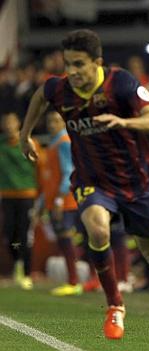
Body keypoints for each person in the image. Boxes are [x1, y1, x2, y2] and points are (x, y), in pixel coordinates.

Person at [19, 29, 149, 351]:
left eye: (80, 65)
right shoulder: (61, 88)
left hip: (137, 183)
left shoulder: (121, 83)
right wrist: (27, 133)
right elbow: (41, 94)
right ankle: (115, 305)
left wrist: (124, 122)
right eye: (68, 65)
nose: (73, 72)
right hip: (93, 180)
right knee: (97, 228)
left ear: (97, 62)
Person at [37, 111, 83, 296]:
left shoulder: (63, 142)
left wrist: (58, 199)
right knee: (64, 240)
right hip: (55, 200)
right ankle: (74, 280)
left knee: (66, 238)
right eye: (50, 121)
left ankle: (74, 281)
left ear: (64, 123)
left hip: (65, 201)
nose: (52, 124)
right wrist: (42, 202)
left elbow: (68, 173)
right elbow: (49, 179)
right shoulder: (53, 143)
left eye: (57, 121)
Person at [0, 112, 40, 290]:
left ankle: (26, 273)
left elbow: (40, 167)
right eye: (5, 123)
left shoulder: (29, 143)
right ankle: (17, 262)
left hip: (27, 195)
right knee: (9, 234)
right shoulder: (1, 145)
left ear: (19, 124)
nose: (9, 126)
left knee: (25, 235)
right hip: (7, 196)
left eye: (11, 122)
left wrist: (42, 196)